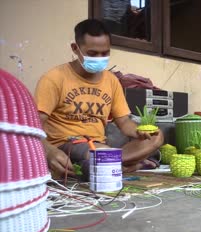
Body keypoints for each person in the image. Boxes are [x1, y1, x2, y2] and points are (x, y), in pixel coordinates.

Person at [35, 19, 164, 179]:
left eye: (105, 53)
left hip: (99, 145)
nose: (100, 58)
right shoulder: (54, 78)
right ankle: (124, 165)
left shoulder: (111, 80)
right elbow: (35, 125)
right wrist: (48, 151)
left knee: (156, 138)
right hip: (67, 144)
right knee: (104, 153)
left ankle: (110, 164)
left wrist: (139, 132)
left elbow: (124, 123)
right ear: (75, 48)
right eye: (93, 53)